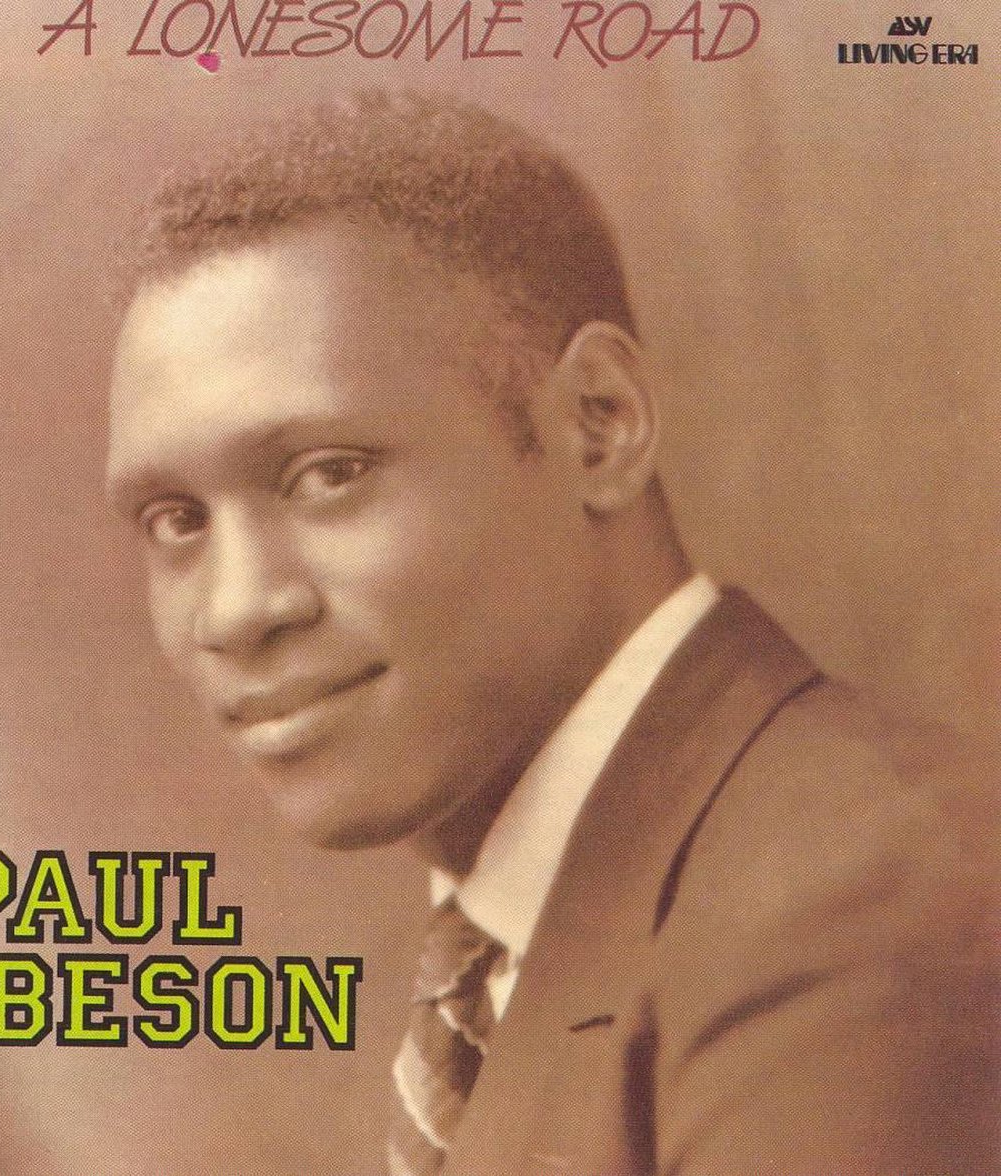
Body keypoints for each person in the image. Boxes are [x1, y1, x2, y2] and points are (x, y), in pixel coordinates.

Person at [104, 91, 997, 1175]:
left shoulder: (849, 908)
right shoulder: (519, 946)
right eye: (176, 522)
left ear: (599, 424)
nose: (235, 611)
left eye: (329, 474)